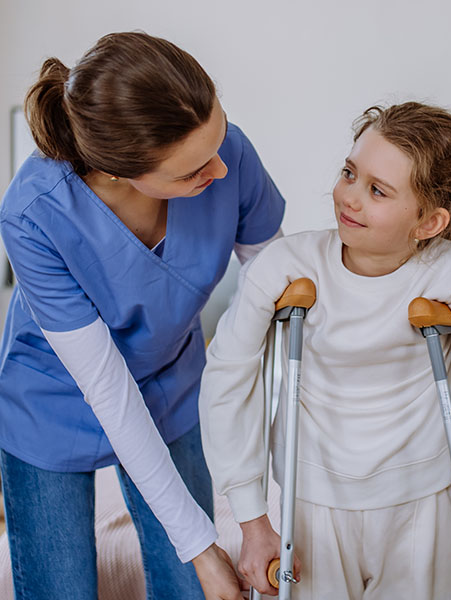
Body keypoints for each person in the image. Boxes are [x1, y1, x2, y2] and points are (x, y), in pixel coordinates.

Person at [199, 102, 451, 600]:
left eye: (377, 190)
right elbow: (228, 378)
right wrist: (252, 521)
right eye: (349, 173)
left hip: (422, 499)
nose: (350, 197)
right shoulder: (286, 264)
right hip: (313, 497)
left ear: (428, 222)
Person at [0, 31, 285, 600]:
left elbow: (274, 304)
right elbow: (107, 389)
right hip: (53, 399)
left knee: (192, 588)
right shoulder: (34, 214)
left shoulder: (227, 154)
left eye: (219, 140)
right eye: (191, 172)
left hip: (173, 382)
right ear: (114, 172)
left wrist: (254, 517)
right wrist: (202, 547)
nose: (221, 172)